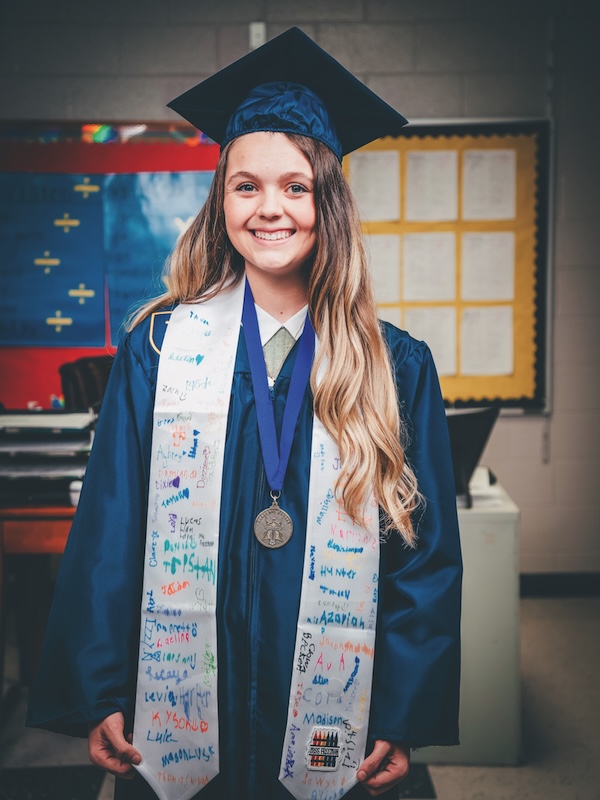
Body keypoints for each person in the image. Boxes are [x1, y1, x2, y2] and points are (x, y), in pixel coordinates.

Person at [27, 28, 462, 800]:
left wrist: (405, 707)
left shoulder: (393, 365)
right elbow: (110, 530)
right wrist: (100, 686)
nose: (271, 209)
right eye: (246, 186)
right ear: (219, 199)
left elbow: (421, 558)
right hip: (189, 705)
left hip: (340, 710)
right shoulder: (159, 351)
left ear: (326, 203)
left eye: (296, 187)